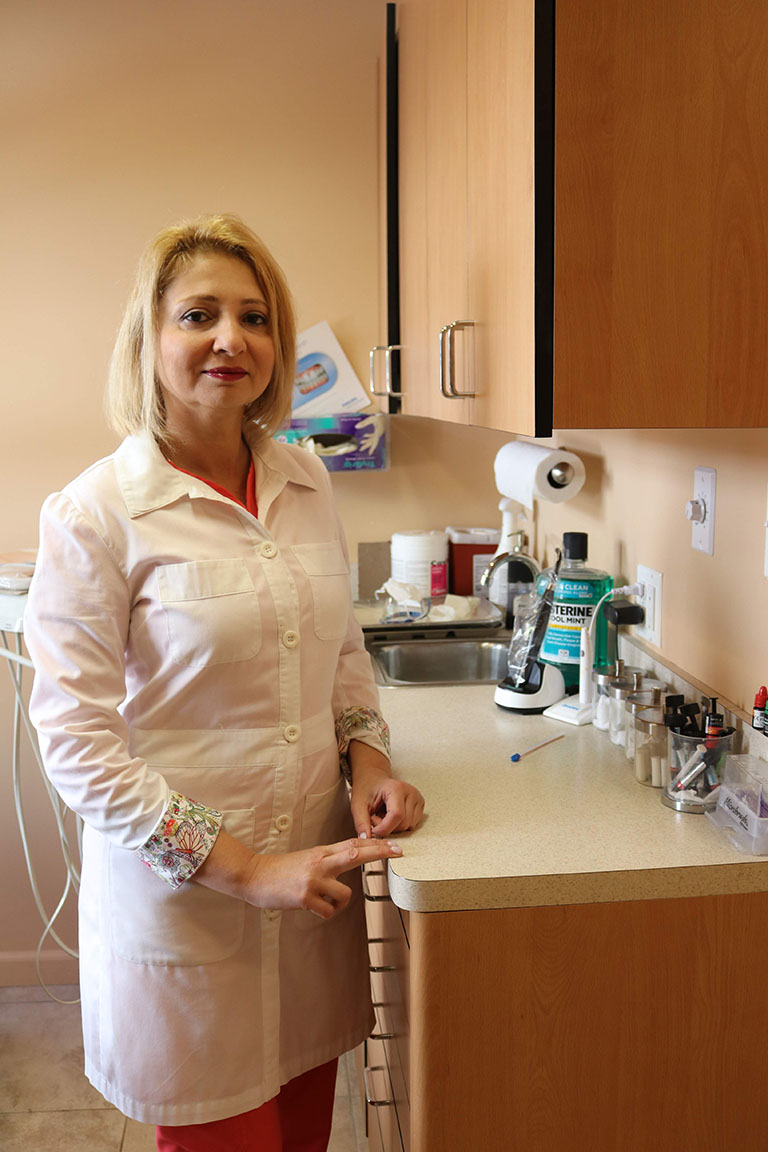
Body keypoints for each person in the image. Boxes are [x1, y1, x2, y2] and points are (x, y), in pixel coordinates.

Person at [23, 213, 425, 1152]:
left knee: (302, 1131)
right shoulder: (95, 514)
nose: (230, 339)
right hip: (191, 911)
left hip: (312, 890)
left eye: (255, 317)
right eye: (199, 314)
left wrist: (369, 763)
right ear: (150, 337)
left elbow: (343, 654)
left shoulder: (307, 482)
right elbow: (76, 746)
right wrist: (247, 871)